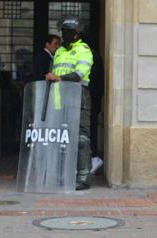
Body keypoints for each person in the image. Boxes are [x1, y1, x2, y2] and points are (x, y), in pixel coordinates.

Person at [45, 16, 94, 190]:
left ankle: (83, 178)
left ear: (77, 34)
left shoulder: (84, 50)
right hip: (60, 101)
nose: (65, 35)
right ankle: (63, 175)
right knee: (61, 138)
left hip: (79, 99)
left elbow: (80, 74)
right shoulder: (59, 51)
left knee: (81, 139)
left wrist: (58, 77)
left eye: (69, 32)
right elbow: (53, 72)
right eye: (64, 32)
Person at [88, 46, 104, 174]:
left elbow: (91, 81)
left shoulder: (93, 58)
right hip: (93, 99)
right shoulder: (95, 57)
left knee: (90, 128)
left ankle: (93, 157)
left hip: (91, 100)